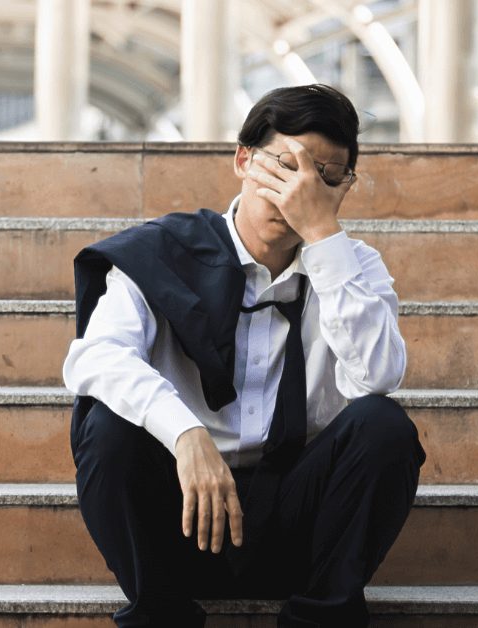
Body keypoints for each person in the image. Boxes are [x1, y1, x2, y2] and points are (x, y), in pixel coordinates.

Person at [63, 83, 427, 628]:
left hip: (296, 526)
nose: (299, 190)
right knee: (105, 426)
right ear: (243, 159)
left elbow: (378, 376)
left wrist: (324, 236)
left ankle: (320, 619)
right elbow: (93, 359)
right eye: (287, 166)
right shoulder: (162, 251)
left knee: (384, 427)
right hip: (182, 519)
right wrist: (186, 435)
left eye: (326, 178)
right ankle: (160, 616)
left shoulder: (353, 267)